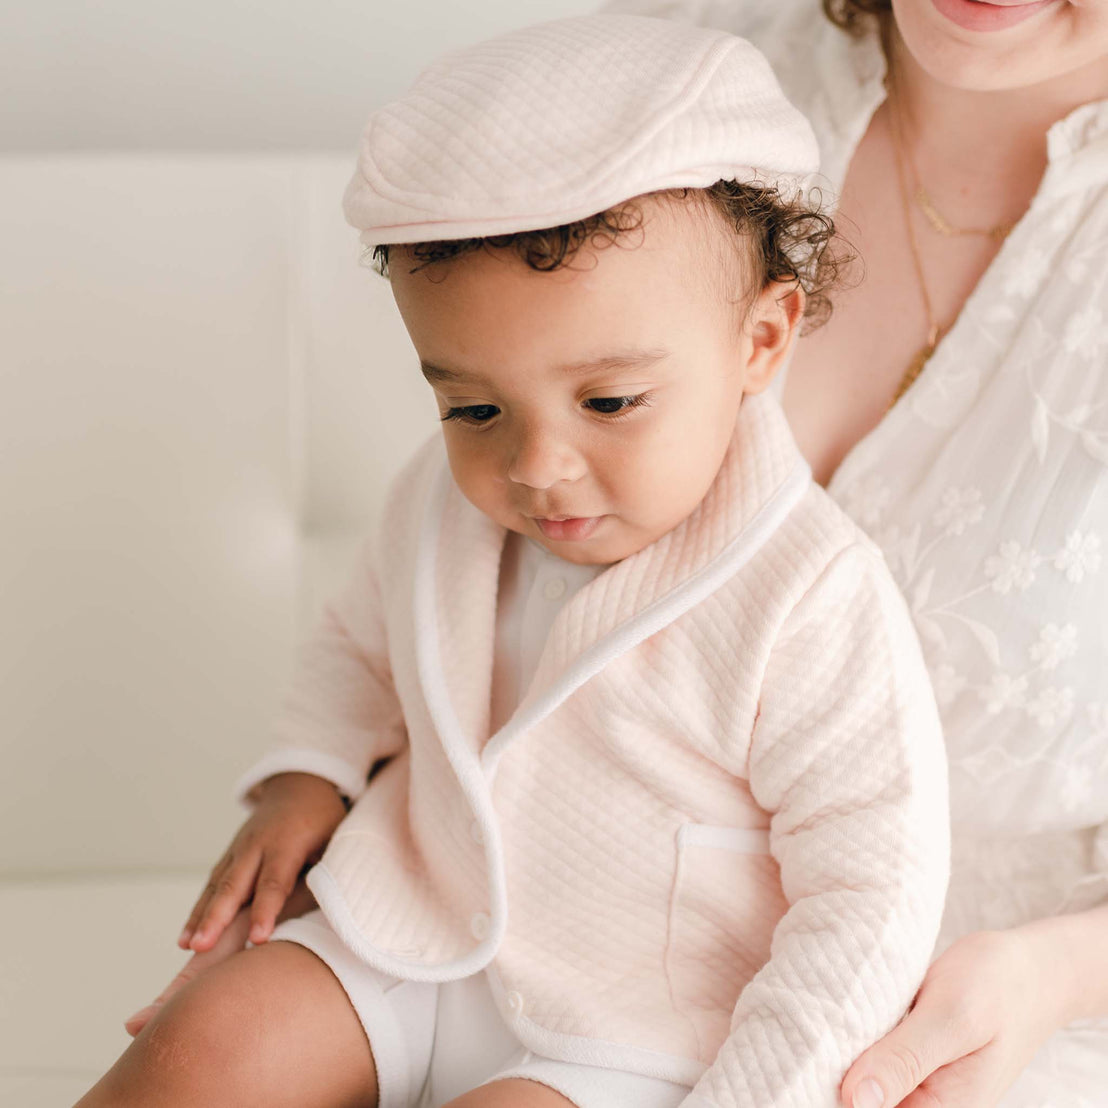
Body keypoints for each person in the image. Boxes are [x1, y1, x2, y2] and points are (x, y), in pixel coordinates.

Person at [75, 15, 952, 1108]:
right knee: (210, 1046)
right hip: (406, 935)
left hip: (631, 1023)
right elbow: (360, 642)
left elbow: (872, 891)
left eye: (610, 401)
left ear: (760, 341)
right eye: (473, 406)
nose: (536, 465)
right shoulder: (437, 505)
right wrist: (311, 772)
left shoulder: (808, 592)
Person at [590, 2, 1106, 1107]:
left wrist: (1049, 976)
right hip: (581, 909)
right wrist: (344, 770)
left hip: (971, 1016)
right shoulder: (687, 67)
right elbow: (492, 470)